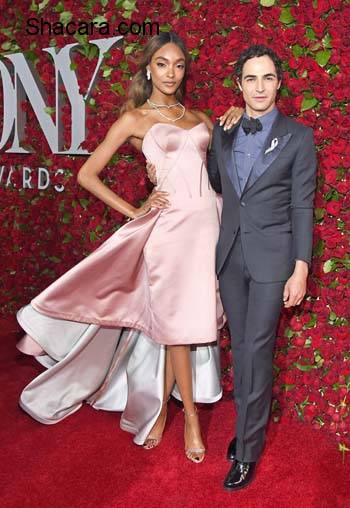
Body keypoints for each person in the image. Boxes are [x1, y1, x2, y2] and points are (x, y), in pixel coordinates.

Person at [16, 32, 242, 464]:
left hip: (208, 228)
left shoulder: (200, 117)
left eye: (178, 65)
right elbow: (87, 173)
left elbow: (224, 167)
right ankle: (190, 419)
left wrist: (233, 120)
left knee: (189, 328)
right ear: (148, 68)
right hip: (170, 235)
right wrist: (134, 209)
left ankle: (158, 413)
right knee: (178, 328)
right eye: (162, 64)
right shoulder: (134, 119)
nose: (171, 73)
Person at [207, 44, 317, 489]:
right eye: (250, 79)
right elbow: (218, 183)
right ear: (239, 84)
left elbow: (302, 205)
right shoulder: (224, 130)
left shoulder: (299, 136)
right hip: (230, 258)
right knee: (243, 351)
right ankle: (246, 431)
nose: (259, 87)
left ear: (278, 82)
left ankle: (247, 449)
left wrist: (302, 267)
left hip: (274, 261)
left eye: (267, 77)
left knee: (257, 350)